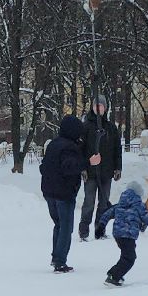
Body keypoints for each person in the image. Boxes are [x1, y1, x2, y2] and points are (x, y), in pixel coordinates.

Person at [40, 114, 102, 273]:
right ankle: (60, 261)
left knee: (58, 225)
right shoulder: (69, 147)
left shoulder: (54, 144)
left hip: (49, 192)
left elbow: (43, 167)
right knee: (66, 228)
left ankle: (56, 257)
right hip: (63, 193)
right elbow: (70, 167)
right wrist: (89, 163)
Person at [78, 95, 123, 241]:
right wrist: (83, 167)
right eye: (96, 105)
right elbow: (79, 149)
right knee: (89, 202)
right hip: (90, 173)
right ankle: (83, 231)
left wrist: (118, 167)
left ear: (105, 108)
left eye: (101, 106)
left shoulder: (110, 127)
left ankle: (100, 230)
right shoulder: (85, 127)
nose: (98, 108)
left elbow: (117, 149)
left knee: (104, 203)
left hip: (106, 172)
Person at [96, 180, 148, 286]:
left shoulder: (120, 204)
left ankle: (116, 274)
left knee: (126, 255)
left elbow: (107, 214)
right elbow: (147, 217)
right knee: (129, 258)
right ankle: (113, 276)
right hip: (128, 234)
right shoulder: (139, 205)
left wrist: (101, 226)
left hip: (118, 235)